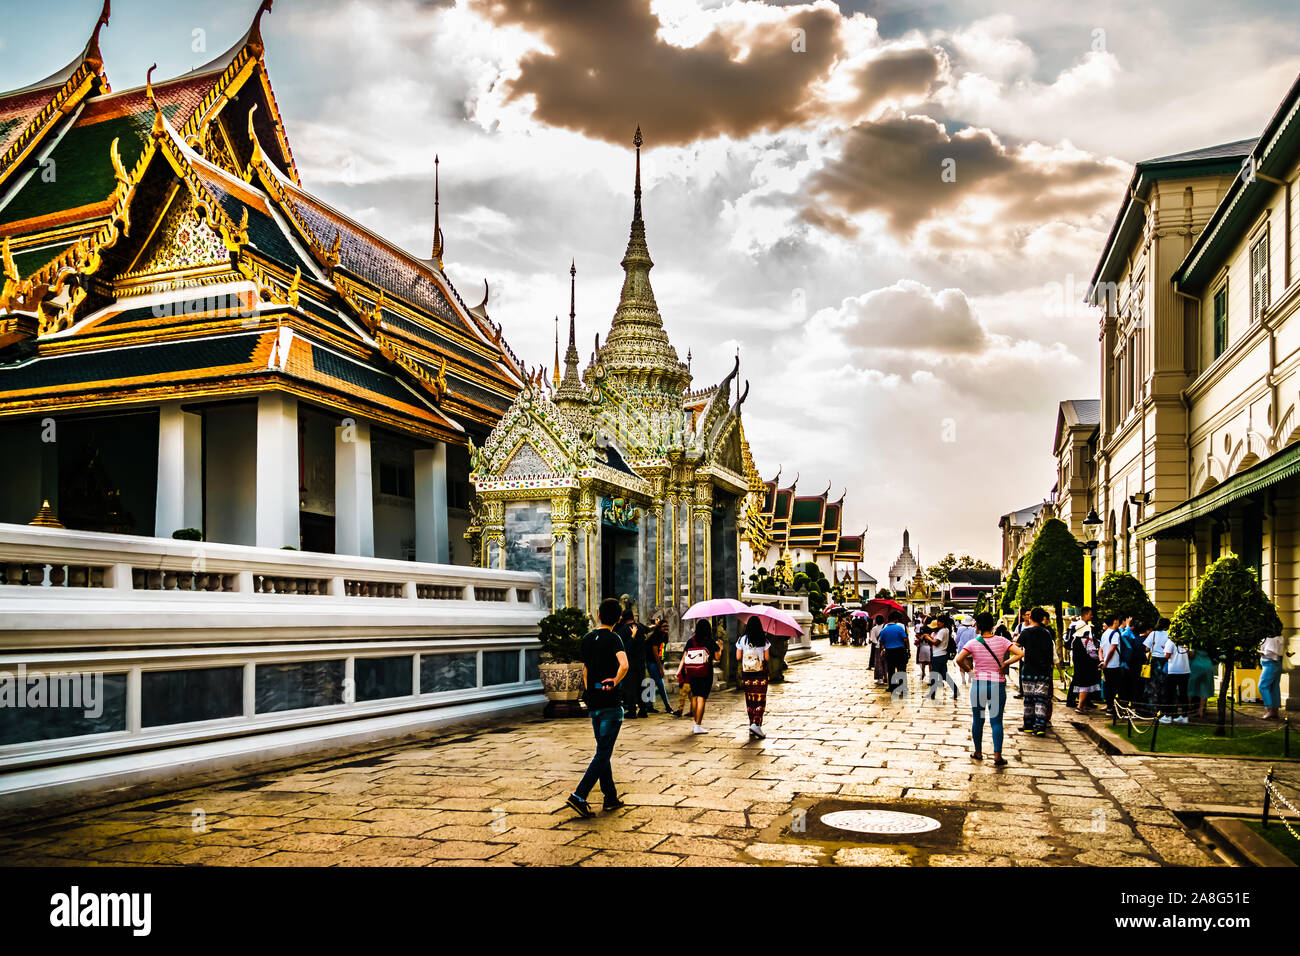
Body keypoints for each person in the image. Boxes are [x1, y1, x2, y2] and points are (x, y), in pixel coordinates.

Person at [566, 597, 629, 818]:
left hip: (593, 701)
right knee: (603, 751)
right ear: (619, 619)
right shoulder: (614, 638)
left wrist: (589, 690)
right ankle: (579, 795)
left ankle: (610, 797)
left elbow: (584, 670)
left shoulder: (587, 638)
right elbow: (625, 665)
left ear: (599, 615)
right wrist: (614, 680)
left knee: (603, 750)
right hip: (610, 702)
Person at [954, 611, 1024, 766]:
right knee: (996, 721)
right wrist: (1005, 663)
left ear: (977, 626)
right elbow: (1020, 653)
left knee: (978, 720)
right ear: (992, 625)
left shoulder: (973, 643)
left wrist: (970, 672)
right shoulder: (1002, 641)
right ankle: (997, 755)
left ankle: (978, 752)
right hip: (997, 684)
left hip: (978, 684)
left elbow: (959, 659)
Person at [678, 619, 721, 734]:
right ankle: (698, 725)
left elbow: (684, 657)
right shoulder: (711, 641)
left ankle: (695, 723)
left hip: (692, 673)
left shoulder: (690, 641)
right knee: (702, 697)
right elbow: (717, 657)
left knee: (694, 696)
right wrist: (720, 647)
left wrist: (681, 671)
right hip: (706, 673)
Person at [1017, 607, 1056, 736]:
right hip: (1044, 671)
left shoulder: (1026, 632)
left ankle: (1028, 725)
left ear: (1031, 618)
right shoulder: (1047, 633)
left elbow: (1015, 646)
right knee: (1041, 699)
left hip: (1029, 669)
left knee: (1028, 699)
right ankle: (1040, 726)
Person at [736, 617, 772, 739]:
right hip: (760, 674)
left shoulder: (742, 639)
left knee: (750, 699)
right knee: (760, 699)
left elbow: (737, 656)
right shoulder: (764, 639)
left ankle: (752, 724)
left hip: (747, 674)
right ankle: (756, 724)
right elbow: (766, 658)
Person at [644, 618, 681, 716]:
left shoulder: (665, 636)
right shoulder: (655, 637)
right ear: (659, 628)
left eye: (667, 626)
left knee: (653, 684)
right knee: (660, 684)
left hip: (659, 662)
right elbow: (655, 653)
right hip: (652, 662)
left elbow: (662, 651)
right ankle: (667, 706)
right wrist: (661, 668)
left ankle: (648, 705)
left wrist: (662, 663)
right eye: (664, 626)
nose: (666, 628)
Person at [617, 606, 649, 719]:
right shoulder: (640, 627)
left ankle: (632, 711)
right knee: (642, 686)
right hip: (641, 662)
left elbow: (623, 648)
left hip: (629, 662)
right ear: (633, 617)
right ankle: (643, 710)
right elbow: (648, 629)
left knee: (630, 687)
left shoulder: (622, 630)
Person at [1069, 613, 1101, 712]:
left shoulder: (1075, 640)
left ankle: (1083, 705)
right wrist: (1099, 659)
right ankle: (1080, 707)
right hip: (1087, 666)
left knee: (1081, 685)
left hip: (1079, 665)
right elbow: (1092, 654)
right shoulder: (1086, 640)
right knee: (1085, 686)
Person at [925, 615, 958, 703]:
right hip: (943, 655)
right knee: (944, 675)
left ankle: (932, 693)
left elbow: (936, 643)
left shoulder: (942, 631)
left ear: (943, 622)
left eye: (939, 621)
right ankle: (955, 689)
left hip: (938, 655)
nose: (937, 623)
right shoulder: (946, 630)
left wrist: (928, 638)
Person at [1098, 613, 1124, 719]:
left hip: (1106, 666)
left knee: (1108, 687)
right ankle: (1114, 708)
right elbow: (1112, 649)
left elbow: (1100, 649)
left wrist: (1102, 661)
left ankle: (1109, 707)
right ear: (1114, 622)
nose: (1118, 623)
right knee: (1117, 687)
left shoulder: (1104, 634)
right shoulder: (1115, 634)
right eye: (1117, 621)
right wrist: (1106, 662)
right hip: (1114, 665)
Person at [878, 611, 910, 697]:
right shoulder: (899, 628)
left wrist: (883, 649)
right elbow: (905, 640)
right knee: (901, 670)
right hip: (900, 651)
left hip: (889, 651)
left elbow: (882, 642)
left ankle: (892, 688)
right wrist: (908, 650)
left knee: (891, 670)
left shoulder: (884, 630)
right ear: (896, 619)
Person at [1144, 617, 1172, 712]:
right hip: (1166, 660)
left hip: (1155, 661)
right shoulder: (1169, 635)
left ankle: (1153, 708)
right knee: (1165, 684)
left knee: (1153, 685)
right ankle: (1164, 708)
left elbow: (1147, 648)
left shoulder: (1153, 634)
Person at [1260, 634, 1290, 720]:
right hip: (1276, 664)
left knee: (1263, 686)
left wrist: (1258, 652)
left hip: (1270, 664)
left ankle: (1269, 710)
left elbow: (1269, 653)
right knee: (1274, 687)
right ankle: (1275, 711)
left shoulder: (1271, 638)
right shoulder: (1279, 637)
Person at [1163, 634, 1190, 724]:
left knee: (1169, 694)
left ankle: (1168, 716)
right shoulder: (1185, 642)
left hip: (1173, 671)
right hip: (1185, 670)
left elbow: (1167, 655)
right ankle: (1184, 716)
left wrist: (1164, 650)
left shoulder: (1170, 642)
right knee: (1183, 694)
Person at [1188, 647, 1217, 720]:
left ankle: (1188, 709)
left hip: (1196, 664)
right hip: (1208, 665)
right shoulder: (1210, 644)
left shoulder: (1195, 642)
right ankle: (1201, 710)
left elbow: (1191, 655)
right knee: (1205, 688)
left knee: (1190, 687)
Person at [954, 614, 977, 687]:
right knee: (970, 664)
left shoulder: (960, 629)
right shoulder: (974, 630)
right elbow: (975, 639)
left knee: (961, 664)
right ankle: (969, 679)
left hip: (961, 648)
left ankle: (963, 680)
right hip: (971, 649)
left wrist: (956, 644)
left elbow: (957, 639)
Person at [870, 614, 888, 686]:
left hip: (878, 648)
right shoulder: (886, 627)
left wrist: (877, 643)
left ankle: (880, 679)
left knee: (878, 663)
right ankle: (886, 676)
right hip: (886, 647)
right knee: (886, 662)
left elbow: (873, 639)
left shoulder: (874, 628)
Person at [915, 616, 932, 684]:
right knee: (930, 662)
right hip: (929, 646)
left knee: (923, 661)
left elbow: (919, 636)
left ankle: (923, 672)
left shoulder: (922, 628)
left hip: (923, 645)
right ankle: (930, 676)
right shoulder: (932, 629)